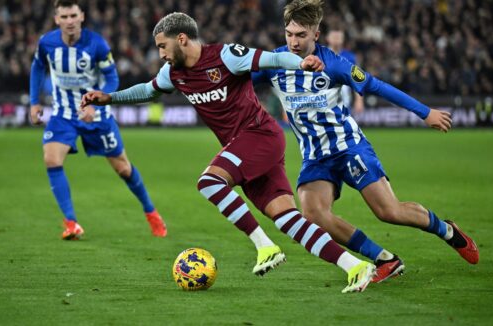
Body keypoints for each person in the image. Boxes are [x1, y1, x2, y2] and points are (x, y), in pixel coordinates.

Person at [82, 12, 376, 293]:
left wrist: (300, 64)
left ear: (181, 38)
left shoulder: (226, 56)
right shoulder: (174, 73)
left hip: (260, 135)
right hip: (246, 147)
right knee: (286, 218)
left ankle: (264, 246)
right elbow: (148, 91)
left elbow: (273, 59)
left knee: (209, 182)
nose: (161, 53)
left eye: (163, 46)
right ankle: (355, 266)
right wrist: (109, 98)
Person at [252, 0, 479, 283]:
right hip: (315, 157)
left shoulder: (333, 64)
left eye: (301, 35)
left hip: (349, 148)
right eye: (289, 34)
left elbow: (376, 86)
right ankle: (385, 259)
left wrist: (425, 112)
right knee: (313, 213)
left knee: (389, 212)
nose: (293, 42)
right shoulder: (274, 63)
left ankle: (446, 230)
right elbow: (235, 77)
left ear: (316, 35)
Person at [29, 0, 167, 240]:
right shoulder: (47, 43)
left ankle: (151, 212)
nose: (69, 21)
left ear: (82, 16)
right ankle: (71, 222)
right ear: (56, 19)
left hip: (97, 115)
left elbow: (112, 78)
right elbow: (37, 67)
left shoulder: (97, 44)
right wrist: (34, 101)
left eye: (73, 15)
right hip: (63, 114)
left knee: (123, 168)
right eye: (64, 16)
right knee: (51, 159)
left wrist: (96, 102)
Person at [326, 28, 364, 114]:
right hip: (323, 99)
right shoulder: (320, 54)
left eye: (339, 37)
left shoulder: (350, 57)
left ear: (343, 39)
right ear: (327, 38)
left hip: (344, 100)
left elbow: (357, 80)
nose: (336, 39)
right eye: (334, 36)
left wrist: (359, 100)